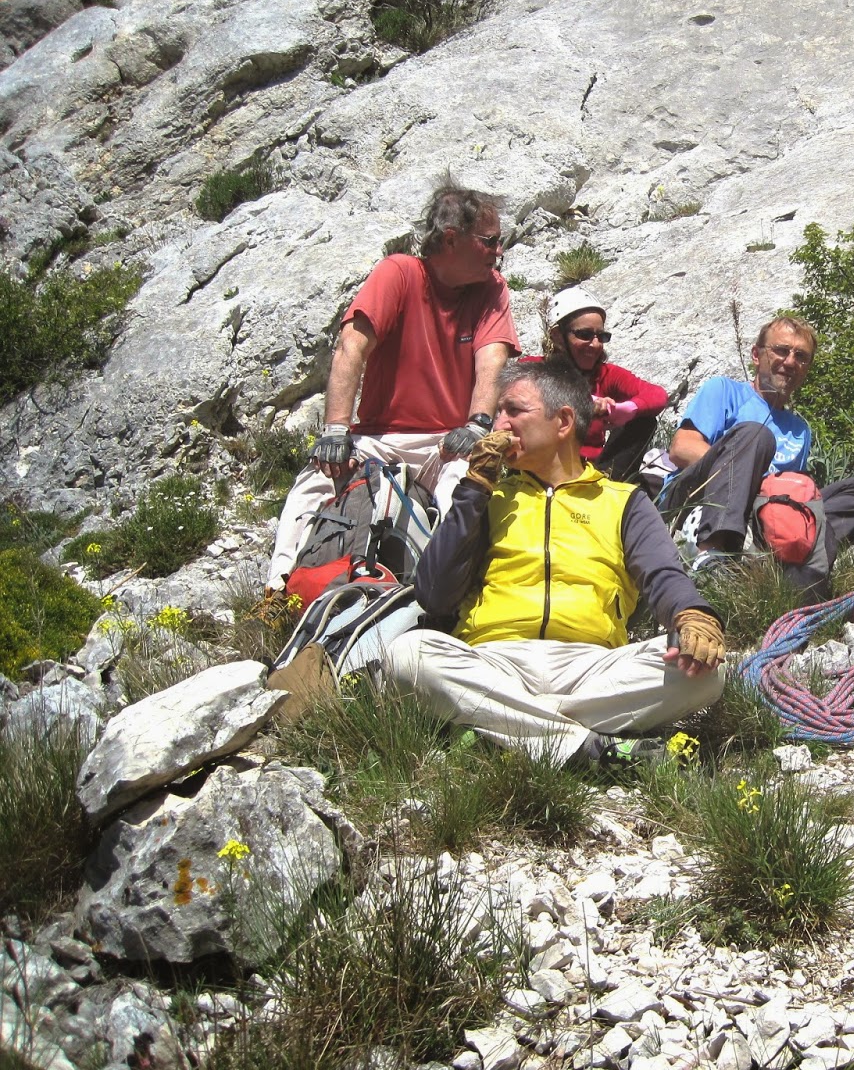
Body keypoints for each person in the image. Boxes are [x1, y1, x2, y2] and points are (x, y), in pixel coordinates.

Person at [381, 361, 726, 765]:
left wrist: (692, 615)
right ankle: (590, 748)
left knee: (708, 673)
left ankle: (510, 728)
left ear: (563, 421)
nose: (499, 425)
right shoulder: (487, 496)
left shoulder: (623, 501)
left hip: (593, 666)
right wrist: (473, 490)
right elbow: (434, 594)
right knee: (409, 656)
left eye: (513, 411)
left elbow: (663, 574)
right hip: (495, 659)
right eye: (498, 413)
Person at [266, 182, 519, 590]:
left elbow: (492, 357)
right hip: (378, 437)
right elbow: (353, 344)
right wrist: (335, 429)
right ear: (452, 239)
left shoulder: (493, 289)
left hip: (445, 439)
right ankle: (279, 590)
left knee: (465, 487)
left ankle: (448, 592)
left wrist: (477, 424)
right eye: (490, 241)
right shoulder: (398, 272)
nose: (498, 251)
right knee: (316, 480)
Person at [659, 313, 854, 594]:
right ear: (757, 355)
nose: (790, 361)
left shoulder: (800, 430)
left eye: (801, 356)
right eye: (781, 350)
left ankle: (795, 560)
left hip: (761, 511)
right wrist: (750, 475)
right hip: (698, 500)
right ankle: (715, 556)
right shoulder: (724, 391)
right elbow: (681, 449)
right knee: (756, 435)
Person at [535, 284, 669, 484]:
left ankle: (607, 483)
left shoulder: (606, 374)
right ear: (557, 336)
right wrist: (585, 402)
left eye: (601, 336)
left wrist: (628, 409)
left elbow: (657, 395)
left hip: (594, 467)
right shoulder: (535, 369)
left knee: (643, 422)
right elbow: (525, 390)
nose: (596, 344)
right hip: (545, 467)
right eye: (585, 335)